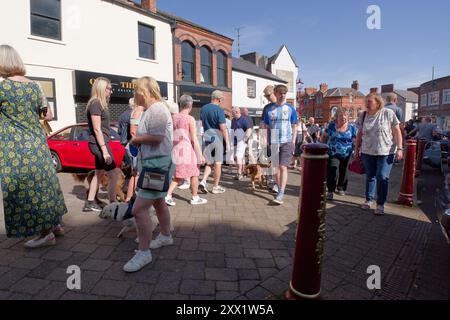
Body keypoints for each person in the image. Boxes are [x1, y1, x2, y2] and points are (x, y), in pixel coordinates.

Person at [0, 44, 67, 248]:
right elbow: (48, 115)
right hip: (37, 143)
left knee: (25, 189)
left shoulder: (2, 87)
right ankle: (55, 225)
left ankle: (45, 234)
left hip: (15, 148)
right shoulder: (35, 86)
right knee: (46, 184)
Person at [123, 76, 175, 273]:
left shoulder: (157, 110)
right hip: (155, 164)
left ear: (143, 92)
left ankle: (143, 252)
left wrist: (136, 140)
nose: (134, 94)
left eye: (135, 91)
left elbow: (157, 137)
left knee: (138, 210)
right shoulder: (152, 110)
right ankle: (165, 235)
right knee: (159, 202)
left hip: (157, 165)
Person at [354, 93, 403, 215]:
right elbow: (359, 133)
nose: (367, 104)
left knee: (382, 176)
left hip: (386, 151)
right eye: (366, 102)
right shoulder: (363, 115)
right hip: (367, 151)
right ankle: (369, 199)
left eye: (370, 102)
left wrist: (400, 148)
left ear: (378, 102)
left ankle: (380, 204)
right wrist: (356, 150)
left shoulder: (388, 113)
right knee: (370, 176)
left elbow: (397, 131)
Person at [83, 77, 120, 212]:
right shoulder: (95, 104)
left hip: (100, 143)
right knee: (113, 173)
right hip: (99, 144)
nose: (111, 91)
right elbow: (97, 129)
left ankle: (89, 203)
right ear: (101, 89)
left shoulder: (99, 104)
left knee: (98, 174)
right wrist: (104, 150)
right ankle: (113, 203)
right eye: (109, 88)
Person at [165, 95, 207, 206]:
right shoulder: (190, 119)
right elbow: (194, 139)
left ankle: (168, 195)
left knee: (179, 174)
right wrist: (200, 155)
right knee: (194, 173)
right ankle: (195, 197)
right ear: (190, 105)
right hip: (186, 149)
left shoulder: (173, 118)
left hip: (175, 149)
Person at [261, 84, 298, 205]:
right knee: (276, 168)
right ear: (275, 93)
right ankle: (277, 185)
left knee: (283, 167)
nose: (282, 95)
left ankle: (281, 192)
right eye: (280, 93)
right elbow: (266, 127)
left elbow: (295, 126)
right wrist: (266, 141)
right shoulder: (269, 109)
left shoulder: (290, 108)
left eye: (284, 93)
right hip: (274, 141)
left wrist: (293, 141)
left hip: (286, 141)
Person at [321, 107, 358, 200]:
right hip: (333, 153)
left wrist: (357, 149)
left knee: (344, 171)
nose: (344, 117)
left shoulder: (352, 127)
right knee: (333, 170)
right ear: (337, 117)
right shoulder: (332, 125)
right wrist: (322, 146)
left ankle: (341, 188)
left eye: (345, 115)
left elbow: (356, 139)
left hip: (347, 153)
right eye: (341, 115)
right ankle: (330, 190)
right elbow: (324, 135)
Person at [198, 90, 230, 194]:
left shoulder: (203, 108)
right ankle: (215, 187)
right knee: (218, 164)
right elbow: (223, 128)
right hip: (217, 139)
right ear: (219, 99)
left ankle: (203, 181)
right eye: (222, 99)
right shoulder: (219, 110)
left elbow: (202, 124)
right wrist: (228, 144)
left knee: (209, 162)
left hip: (207, 137)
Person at [260, 85, 278, 192]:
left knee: (276, 160)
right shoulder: (266, 108)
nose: (267, 97)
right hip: (267, 135)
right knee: (268, 159)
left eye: (268, 95)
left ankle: (276, 182)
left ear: (274, 92)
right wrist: (262, 137)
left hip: (277, 135)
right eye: (265, 96)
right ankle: (270, 180)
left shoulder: (280, 105)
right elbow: (262, 123)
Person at [231, 107, 252, 180]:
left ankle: (239, 173)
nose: (231, 114)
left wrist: (245, 139)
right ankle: (243, 172)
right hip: (236, 141)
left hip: (242, 141)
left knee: (238, 156)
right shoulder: (233, 120)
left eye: (232, 112)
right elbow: (232, 130)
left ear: (236, 112)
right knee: (241, 158)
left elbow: (249, 130)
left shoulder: (244, 120)